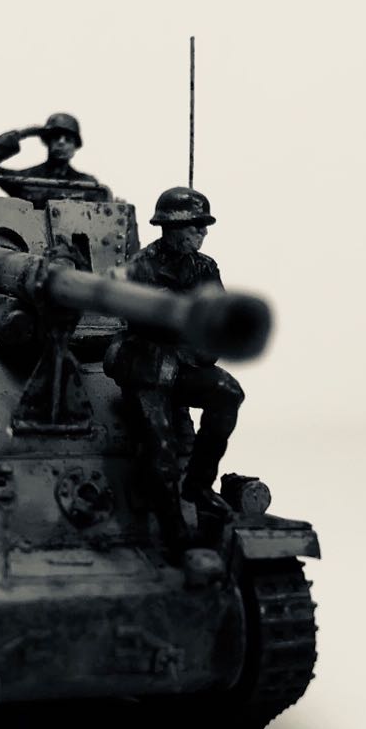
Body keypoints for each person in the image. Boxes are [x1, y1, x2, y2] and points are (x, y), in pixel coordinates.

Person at [105, 187, 244, 524]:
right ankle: (172, 525)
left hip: (186, 364)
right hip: (147, 368)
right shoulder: (140, 268)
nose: (203, 233)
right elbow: (137, 319)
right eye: (196, 225)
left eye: (203, 226)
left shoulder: (204, 267)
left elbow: (217, 317)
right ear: (172, 227)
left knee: (228, 392)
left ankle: (198, 485)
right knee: (161, 451)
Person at [0, 113, 111, 209]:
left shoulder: (88, 185)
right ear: (47, 142)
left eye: (68, 139)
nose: (61, 142)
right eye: (55, 137)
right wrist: (23, 134)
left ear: (75, 147)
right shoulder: (26, 179)